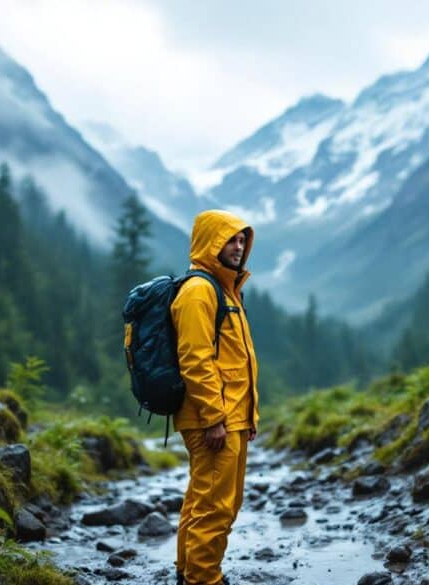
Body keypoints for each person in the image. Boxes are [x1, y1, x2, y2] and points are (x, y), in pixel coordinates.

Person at [172, 210, 259, 585]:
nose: (238, 247)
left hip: (230, 417)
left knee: (204, 500)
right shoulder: (199, 291)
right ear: (211, 243)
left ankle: (187, 571)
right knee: (216, 507)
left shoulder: (225, 290)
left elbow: (235, 362)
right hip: (212, 419)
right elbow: (195, 359)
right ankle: (204, 578)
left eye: (242, 240)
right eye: (230, 240)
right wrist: (213, 418)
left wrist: (248, 417)